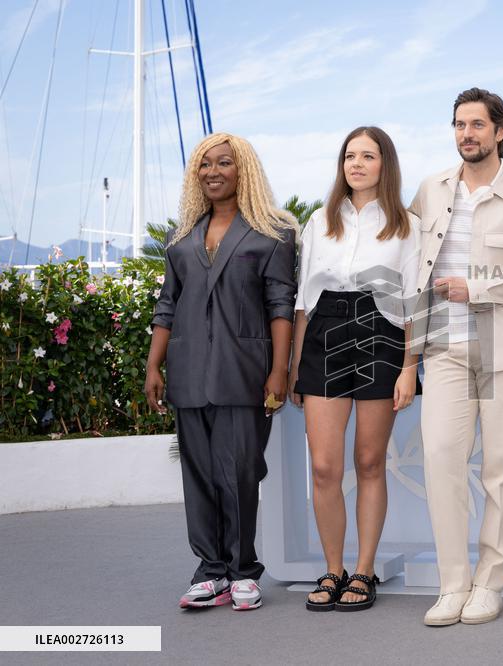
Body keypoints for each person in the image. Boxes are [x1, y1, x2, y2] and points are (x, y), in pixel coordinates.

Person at [408, 87, 503, 626]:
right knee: (441, 459)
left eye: (477, 124)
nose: (466, 134)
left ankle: (490, 583)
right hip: (442, 347)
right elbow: (410, 262)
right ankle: (453, 584)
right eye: (459, 124)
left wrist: (476, 287)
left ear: (500, 131)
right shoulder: (431, 190)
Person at [145, 132, 297, 611]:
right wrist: (153, 365)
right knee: (199, 475)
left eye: (224, 163)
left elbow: (280, 306)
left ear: (242, 170)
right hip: (188, 372)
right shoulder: (180, 239)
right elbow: (167, 305)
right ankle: (210, 571)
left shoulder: (272, 235)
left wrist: (279, 370)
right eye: (205, 164)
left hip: (244, 373)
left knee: (240, 473)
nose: (213, 172)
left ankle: (243, 570)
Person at [287, 126, 421, 612]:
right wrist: (295, 367)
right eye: (350, 156)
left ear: (386, 164)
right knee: (324, 466)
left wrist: (409, 367)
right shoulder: (319, 221)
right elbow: (303, 301)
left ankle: (363, 571)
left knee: (368, 461)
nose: (357, 164)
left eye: (368, 156)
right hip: (324, 332)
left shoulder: (407, 225)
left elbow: (414, 302)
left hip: (381, 332)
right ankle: (333, 569)